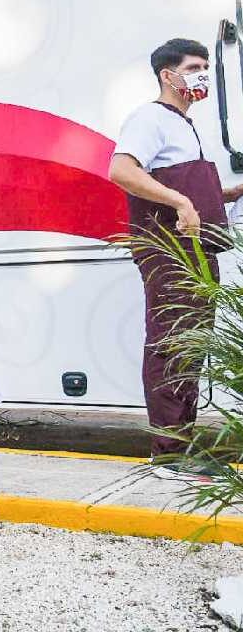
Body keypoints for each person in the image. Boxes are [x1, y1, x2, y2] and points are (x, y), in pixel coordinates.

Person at [108, 38, 243, 479]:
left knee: (191, 346)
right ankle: (167, 455)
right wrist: (182, 204)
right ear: (169, 75)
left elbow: (182, 182)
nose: (203, 74)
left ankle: (181, 446)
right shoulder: (150, 118)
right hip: (170, 248)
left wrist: (224, 193)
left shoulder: (184, 125)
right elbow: (122, 170)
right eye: (195, 66)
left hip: (197, 250)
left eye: (206, 66)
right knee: (170, 343)